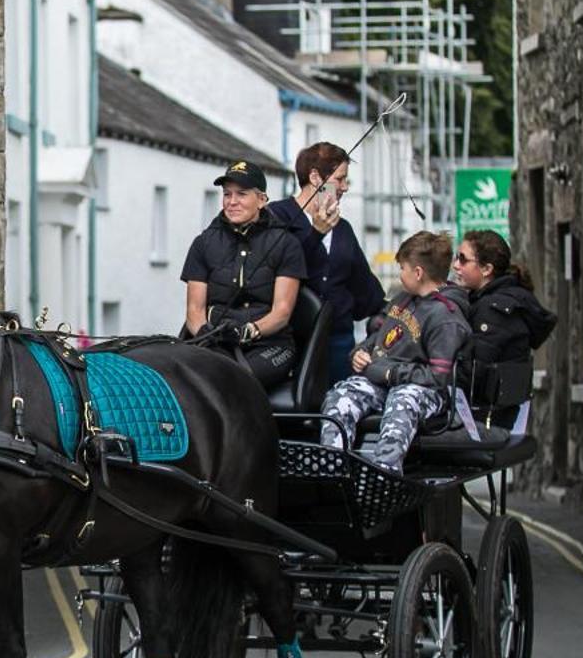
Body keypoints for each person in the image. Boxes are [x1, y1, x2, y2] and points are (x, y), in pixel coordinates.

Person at [318, 231, 470, 473]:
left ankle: (384, 478)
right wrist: (360, 353)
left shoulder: (446, 318)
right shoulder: (402, 300)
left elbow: (438, 378)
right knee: (342, 395)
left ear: (418, 273)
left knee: (403, 399)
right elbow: (377, 338)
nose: (400, 274)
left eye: (402, 268)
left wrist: (388, 373)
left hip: (427, 393)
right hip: (383, 381)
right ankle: (334, 474)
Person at [181, 159, 306, 388]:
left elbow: (282, 312)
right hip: (214, 342)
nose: (232, 202)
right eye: (227, 194)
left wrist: (248, 331)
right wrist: (208, 336)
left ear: (261, 200)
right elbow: (194, 311)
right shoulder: (203, 243)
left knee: (234, 379)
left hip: (270, 345)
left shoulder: (287, 244)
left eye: (241, 194)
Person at [266, 141, 387, 379]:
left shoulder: (343, 228)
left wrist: (396, 308)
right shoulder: (277, 216)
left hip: (338, 339)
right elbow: (278, 266)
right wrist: (315, 234)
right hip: (292, 340)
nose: (344, 187)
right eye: (339, 179)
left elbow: (363, 286)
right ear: (314, 177)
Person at [452, 229, 557, 398]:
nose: (456, 265)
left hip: (488, 417)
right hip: (492, 415)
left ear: (486, 269)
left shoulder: (494, 310)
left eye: (463, 259)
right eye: (456, 257)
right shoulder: (490, 301)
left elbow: (474, 372)